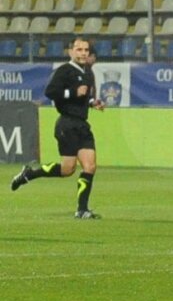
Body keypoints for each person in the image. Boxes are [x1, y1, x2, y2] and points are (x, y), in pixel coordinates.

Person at [11, 38, 105, 218]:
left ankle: (82, 209)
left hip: (82, 124)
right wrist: (73, 92)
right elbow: (50, 92)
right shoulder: (63, 71)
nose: (83, 53)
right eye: (79, 49)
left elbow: (84, 98)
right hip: (67, 124)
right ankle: (30, 174)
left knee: (90, 166)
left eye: (86, 50)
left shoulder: (87, 73)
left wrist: (93, 102)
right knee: (67, 170)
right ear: (71, 52)